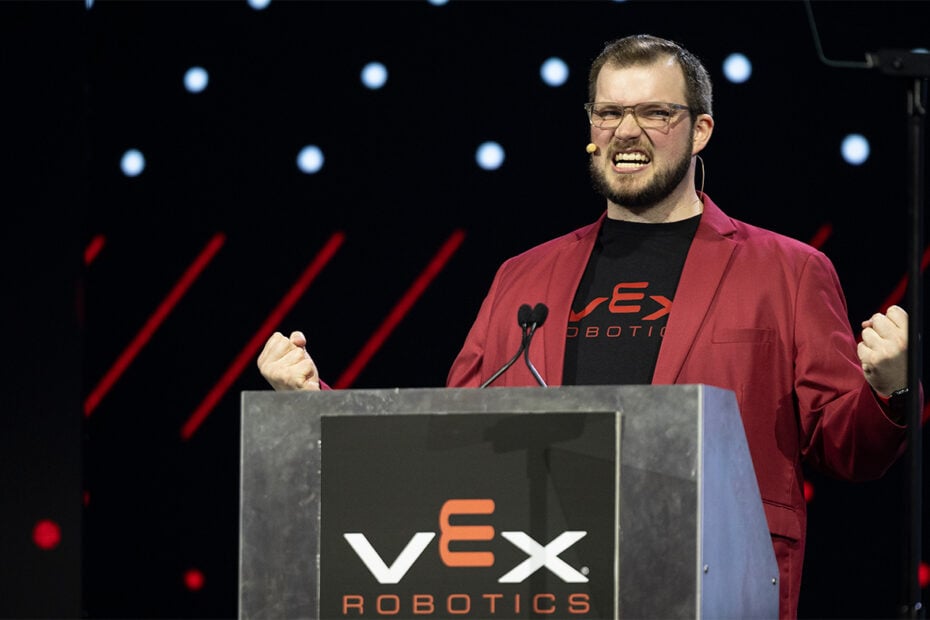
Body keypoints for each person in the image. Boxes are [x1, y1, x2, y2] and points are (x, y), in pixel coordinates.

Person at [257, 34, 912, 620]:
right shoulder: (525, 275)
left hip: (709, 581)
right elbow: (452, 441)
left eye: (656, 113)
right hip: (544, 580)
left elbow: (846, 450)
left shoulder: (788, 271)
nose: (628, 131)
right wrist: (311, 404)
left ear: (702, 129)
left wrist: (889, 390)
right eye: (609, 112)